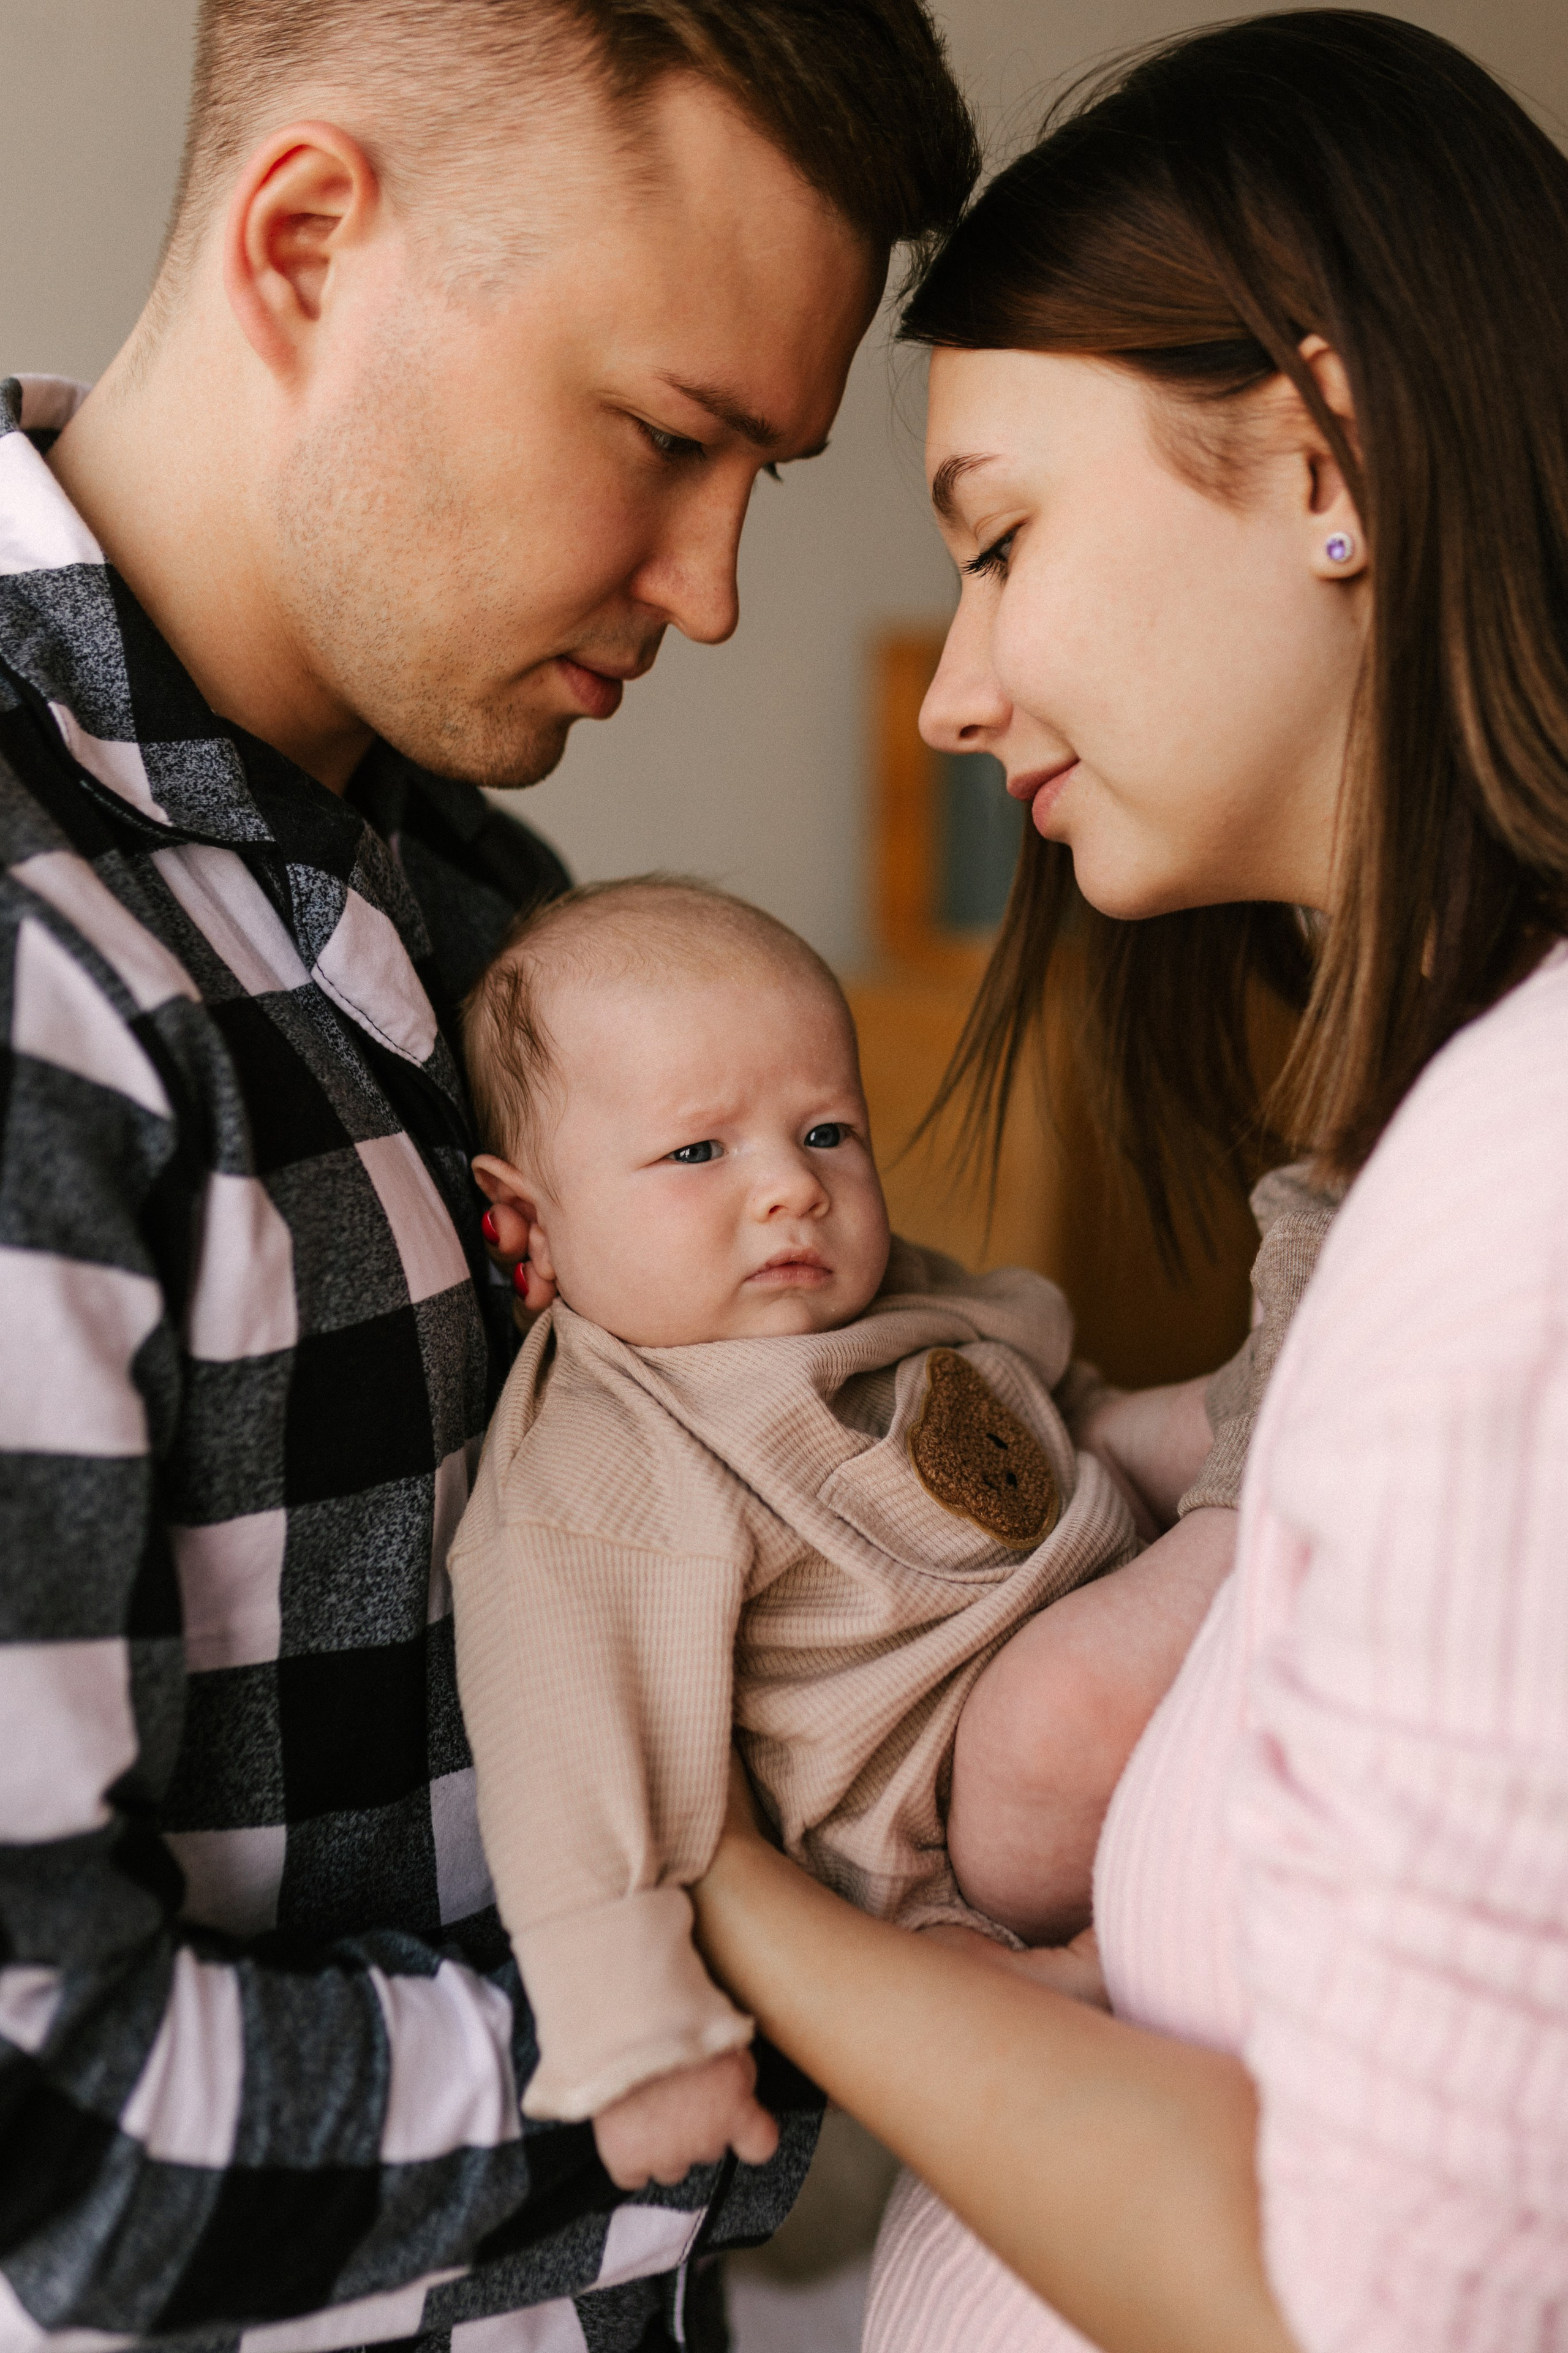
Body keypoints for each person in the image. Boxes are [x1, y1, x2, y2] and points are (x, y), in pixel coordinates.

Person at [0, 6, 979, 2351]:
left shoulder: (485, 905)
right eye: (666, 434)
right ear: (310, 239)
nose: (720, 585)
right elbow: (52, 2138)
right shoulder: (38, 977)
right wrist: (769, 2027)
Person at [685, 12, 1568, 2351]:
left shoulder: (1523, 1206)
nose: (950, 695)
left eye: (999, 540)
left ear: (1325, 460)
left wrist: (719, 1886)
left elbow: (1346, 2302)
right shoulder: (1436, 1169)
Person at [447, 873, 1251, 2191]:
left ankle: (1304, 1437)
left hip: (1088, 1607)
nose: (789, 1191)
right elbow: (563, 1752)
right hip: (946, 1818)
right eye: (698, 1152)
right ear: (527, 1226)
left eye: (825, 1132)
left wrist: (1177, 1420)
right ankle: (1263, 1535)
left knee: (1174, 1418)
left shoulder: (898, 1298)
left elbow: (1060, 1419)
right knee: (1059, 1705)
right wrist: (636, 2035)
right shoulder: (606, 1450)